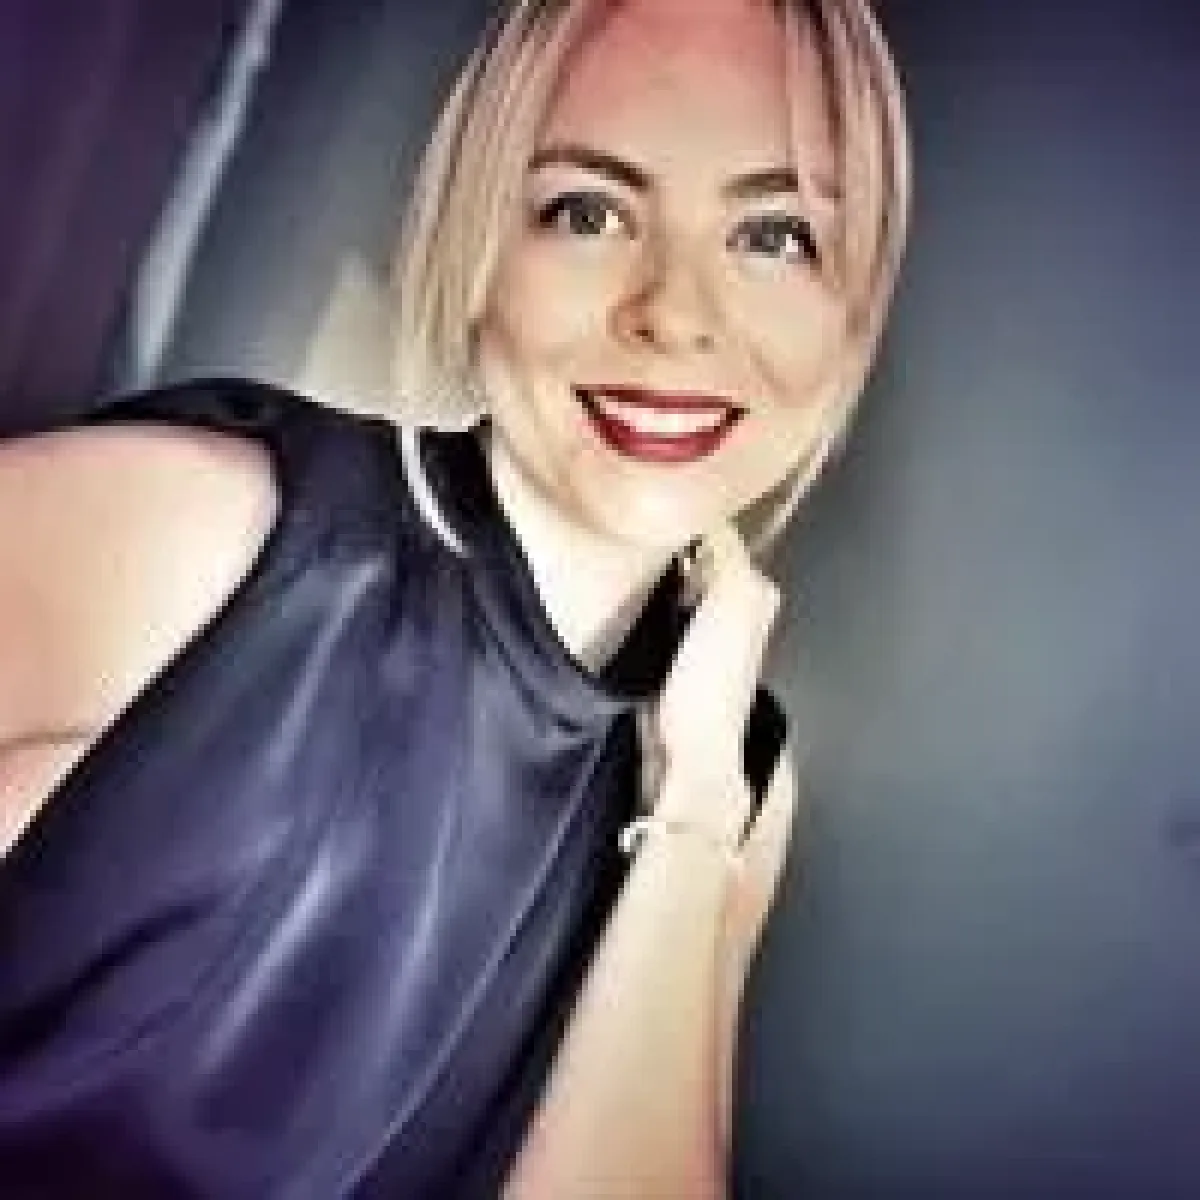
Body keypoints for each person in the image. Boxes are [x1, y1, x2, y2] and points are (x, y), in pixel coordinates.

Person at [0, 0, 909, 1194]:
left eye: (776, 235)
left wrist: (690, 811)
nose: (675, 315)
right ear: (478, 245)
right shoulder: (200, 526)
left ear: (855, 310)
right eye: (587, 212)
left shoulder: (737, 784)